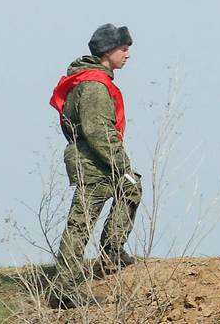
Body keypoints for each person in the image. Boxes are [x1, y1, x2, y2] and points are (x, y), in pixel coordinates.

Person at [48, 23, 142, 307]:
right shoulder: (94, 86)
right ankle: (64, 290)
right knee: (80, 224)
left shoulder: (90, 80)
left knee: (130, 190)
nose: (127, 54)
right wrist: (122, 165)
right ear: (107, 51)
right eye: (123, 49)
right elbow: (97, 131)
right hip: (93, 164)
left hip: (95, 160)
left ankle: (112, 252)